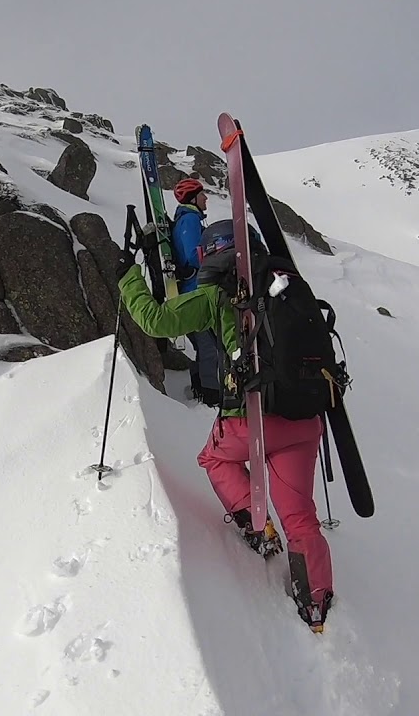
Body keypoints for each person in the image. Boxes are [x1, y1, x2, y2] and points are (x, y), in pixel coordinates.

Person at [116, 219, 334, 631]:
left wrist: (129, 276)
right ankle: (317, 604)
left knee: (214, 460)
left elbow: (157, 321)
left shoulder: (217, 297)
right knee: (301, 516)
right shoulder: (290, 290)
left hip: (249, 420)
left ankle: (257, 527)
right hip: (304, 420)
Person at [169, 177, 221, 406]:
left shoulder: (187, 219)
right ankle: (211, 397)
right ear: (193, 199)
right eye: (202, 195)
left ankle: (200, 389)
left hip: (191, 292)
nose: (206, 198)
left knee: (205, 345)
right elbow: (193, 255)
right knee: (210, 347)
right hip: (195, 293)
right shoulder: (189, 220)